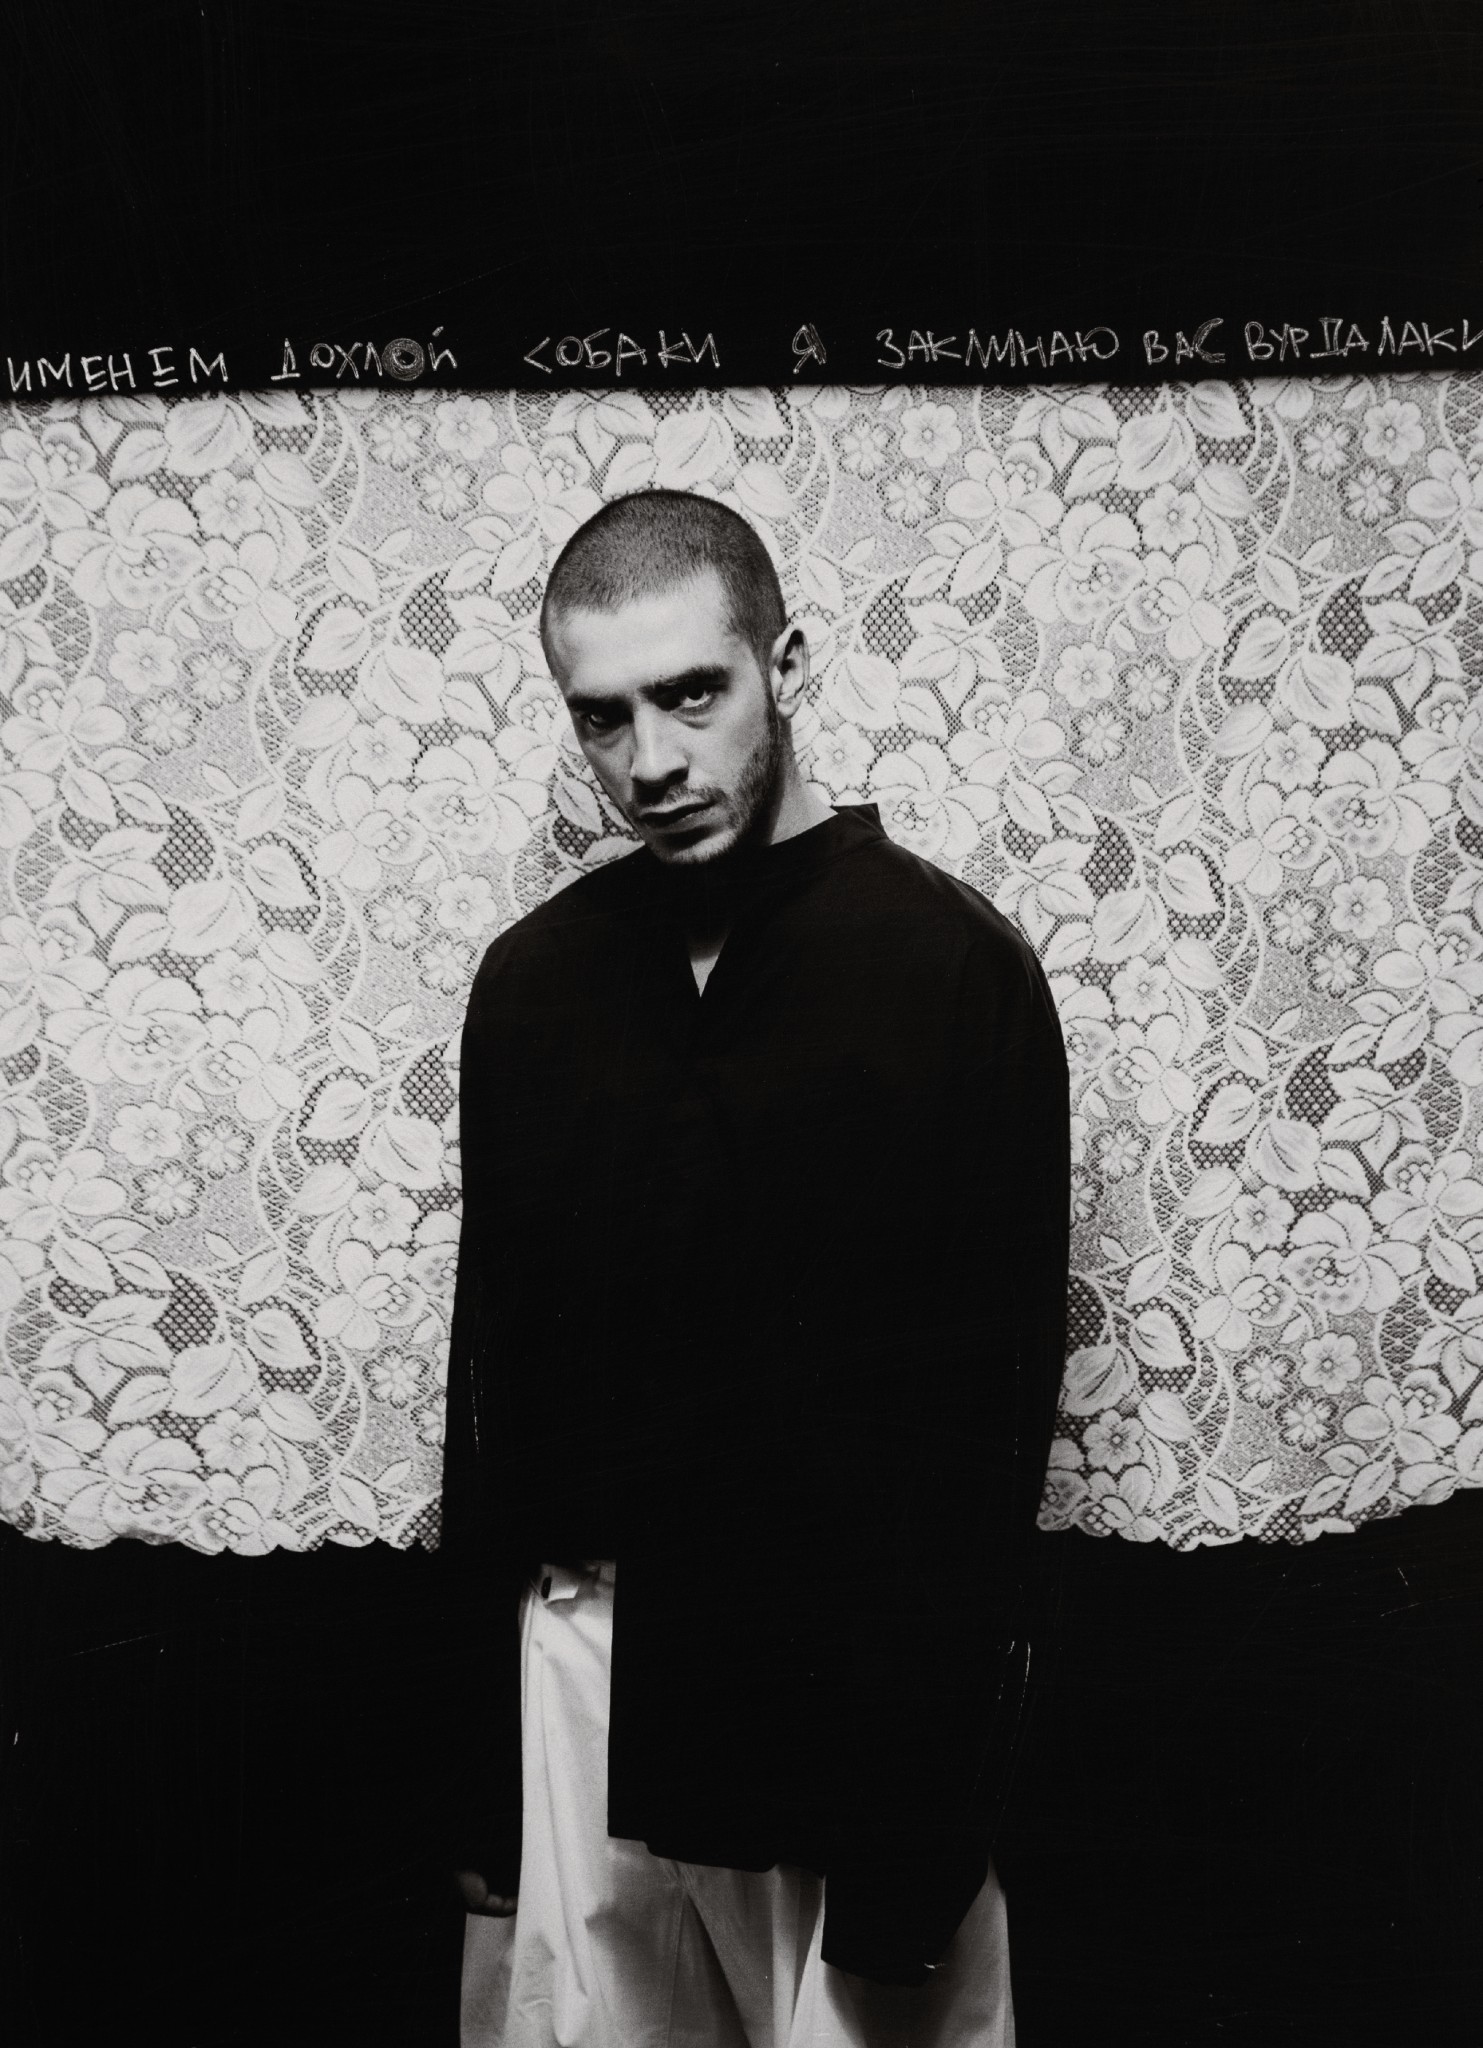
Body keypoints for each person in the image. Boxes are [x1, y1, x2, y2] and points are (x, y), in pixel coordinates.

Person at [439, 488, 1070, 2047]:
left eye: (691, 694)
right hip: (591, 1683)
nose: (650, 761)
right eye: (602, 718)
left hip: (847, 1699)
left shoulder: (951, 971)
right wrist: (482, 1812)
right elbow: (490, 1388)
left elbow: (983, 1443)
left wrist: (913, 1856)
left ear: (785, 665)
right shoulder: (535, 987)